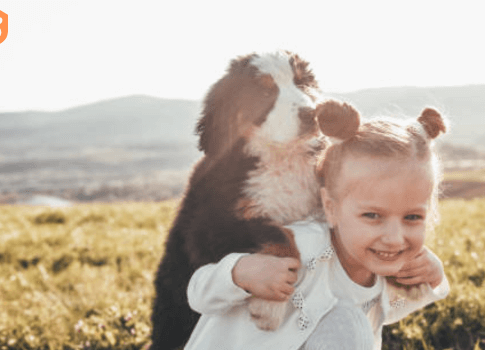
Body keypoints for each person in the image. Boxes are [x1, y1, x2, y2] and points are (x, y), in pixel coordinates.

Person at [184, 108, 450, 350]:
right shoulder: (301, 248)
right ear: (330, 208)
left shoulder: (377, 265)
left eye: (413, 217)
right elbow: (197, 291)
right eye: (372, 215)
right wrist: (240, 273)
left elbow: (393, 308)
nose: (394, 238)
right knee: (346, 320)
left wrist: (434, 279)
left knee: (349, 321)